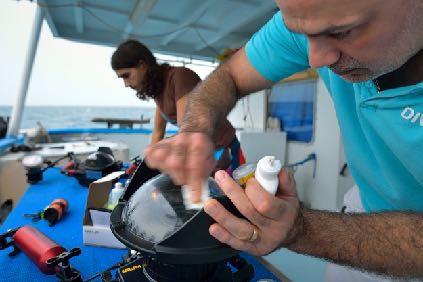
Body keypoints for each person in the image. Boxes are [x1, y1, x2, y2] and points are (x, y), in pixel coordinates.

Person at [144, 0, 423, 280]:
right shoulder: (315, 19)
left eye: (342, 32)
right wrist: (195, 130)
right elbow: (230, 75)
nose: (315, 60)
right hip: (364, 204)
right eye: (302, 33)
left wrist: (303, 231)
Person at [111, 40, 245, 180]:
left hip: (224, 148)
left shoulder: (179, 77)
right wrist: (144, 171)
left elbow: (187, 131)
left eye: (126, 75)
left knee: (232, 195)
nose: (126, 84)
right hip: (205, 152)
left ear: (142, 65)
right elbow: (157, 133)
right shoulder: (159, 90)